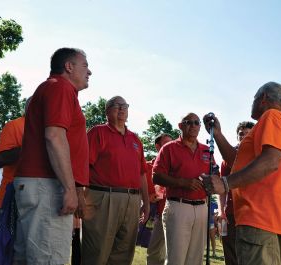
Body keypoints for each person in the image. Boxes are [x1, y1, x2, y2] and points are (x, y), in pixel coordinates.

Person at [203, 81, 281, 265]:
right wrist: (219, 134)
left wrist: (224, 183)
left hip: (260, 217)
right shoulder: (274, 122)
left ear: (263, 98)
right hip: (270, 218)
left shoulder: (272, 116)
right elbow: (239, 162)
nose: (252, 103)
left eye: (254, 98)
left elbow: (270, 162)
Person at [14, 47, 91, 264]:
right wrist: (69, 188)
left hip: (41, 186)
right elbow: (54, 137)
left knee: (30, 257)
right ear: (69, 66)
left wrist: (75, 188)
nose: (90, 71)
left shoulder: (56, 89)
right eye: (85, 65)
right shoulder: (60, 88)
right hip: (47, 186)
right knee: (48, 258)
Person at [82, 96, 150, 265]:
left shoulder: (135, 140)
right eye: (116, 106)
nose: (121, 109)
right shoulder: (98, 132)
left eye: (124, 106)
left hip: (133, 201)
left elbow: (142, 173)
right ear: (107, 111)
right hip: (104, 198)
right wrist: (79, 195)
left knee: (123, 254)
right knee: (96, 253)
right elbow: (83, 166)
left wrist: (147, 203)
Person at [153, 113, 214, 265]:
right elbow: (156, 177)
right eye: (189, 122)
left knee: (195, 259)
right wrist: (182, 182)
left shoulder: (207, 150)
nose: (193, 125)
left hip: (201, 207)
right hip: (178, 206)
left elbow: (215, 174)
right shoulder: (169, 148)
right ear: (180, 126)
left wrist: (211, 181)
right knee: (176, 259)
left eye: (196, 123)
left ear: (200, 126)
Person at [0, 97, 31, 242]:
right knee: (3, 251)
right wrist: (30, 144)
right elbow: (1, 159)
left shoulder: (47, 130)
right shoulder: (14, 125)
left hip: (36, 200)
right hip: (10, 199)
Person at [219, 121, 254, 265]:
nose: (244, 136)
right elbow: (222, 187)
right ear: (237, 136)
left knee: (251, 254)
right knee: (231, 252)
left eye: (248, 134)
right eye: (241, 134)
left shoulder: (260, 155)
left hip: (253, 213)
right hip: (232, 212)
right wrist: (221, 211)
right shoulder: (227, 157)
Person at [146, 133, 173, 265]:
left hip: (174, 213)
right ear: (158, 147)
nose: (170, 146)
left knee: (173, 253)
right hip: (155, 214)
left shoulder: (175, 166)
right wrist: (147, 196)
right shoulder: (147, 167)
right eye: (166, 143)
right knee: (155, 252)